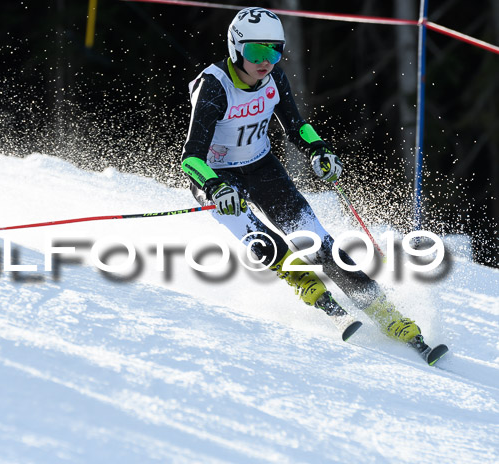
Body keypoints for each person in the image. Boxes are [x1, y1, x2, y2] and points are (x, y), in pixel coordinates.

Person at [180, 7, 433, 356]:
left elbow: (295, 125)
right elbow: (190, 156)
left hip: (261, 166)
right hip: (217, 178)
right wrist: (215, 187)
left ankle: (388, 315)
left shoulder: (273, 79)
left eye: (275, 50)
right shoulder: (214, 85)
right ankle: (311, 289)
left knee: (318, 243)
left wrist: (318, 149)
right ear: (236, 48)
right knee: (261, 238)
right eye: (256, 51)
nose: (266, 61)